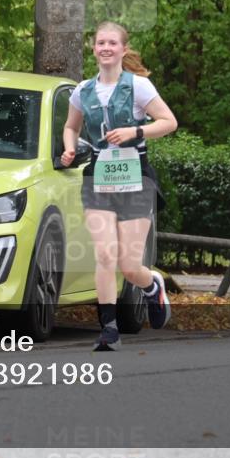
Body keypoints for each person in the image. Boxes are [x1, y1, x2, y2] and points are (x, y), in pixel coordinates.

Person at [60, 21, 178, 351]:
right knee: (105, 254)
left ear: (124, 50)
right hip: (98, 175)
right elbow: (71, 126)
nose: (106, 48)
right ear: (94, 49)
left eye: (113, 43)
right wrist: (69, 147)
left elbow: (169, 122)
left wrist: (134, 132)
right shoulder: (82, 90)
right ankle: (109, 330)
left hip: (135, 177)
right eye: (101, 43)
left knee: (128, 265)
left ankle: (152, 285)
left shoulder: (138, 86)